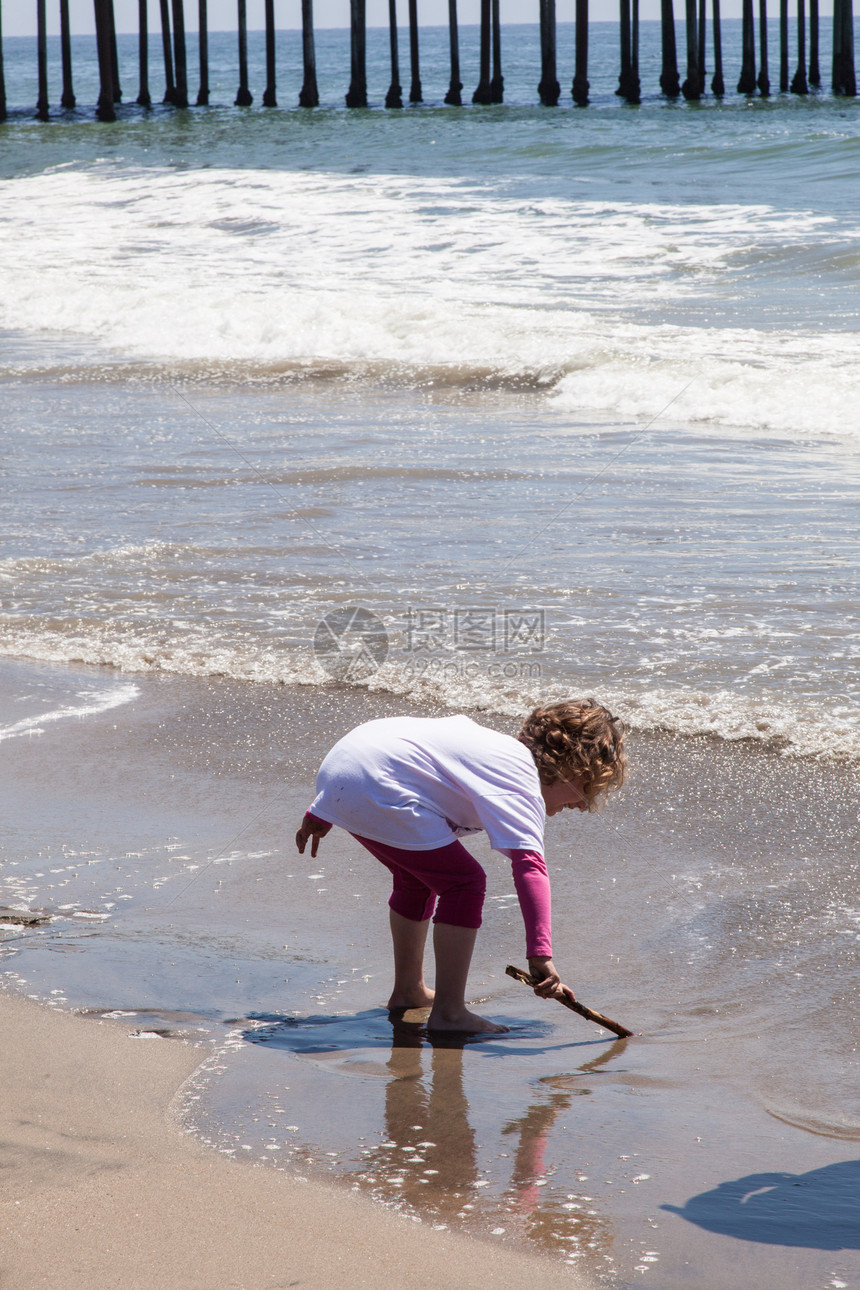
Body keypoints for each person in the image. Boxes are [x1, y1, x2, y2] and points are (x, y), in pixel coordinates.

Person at [295, 698, 626, 1034]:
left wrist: (323, 809)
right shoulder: (521, 777)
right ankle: (450, 1014)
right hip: (377, 783)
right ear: (571, 771)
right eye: (587, 790)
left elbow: (391, 754)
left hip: (344, 768)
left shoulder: (488, 750)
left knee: (415, 878)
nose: (583, 806)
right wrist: (540, 954)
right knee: (464, 883)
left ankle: (409, 991)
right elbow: (530, 867)